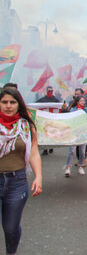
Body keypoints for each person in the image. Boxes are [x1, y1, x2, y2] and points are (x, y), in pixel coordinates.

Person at [0, 88, 42, 255]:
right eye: (4, 102)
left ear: (19, 104)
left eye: (13, 102)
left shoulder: (27, 126)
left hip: (16, 182)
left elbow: (33, 152)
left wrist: (38, 177)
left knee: (11, 229)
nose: (8, 106)